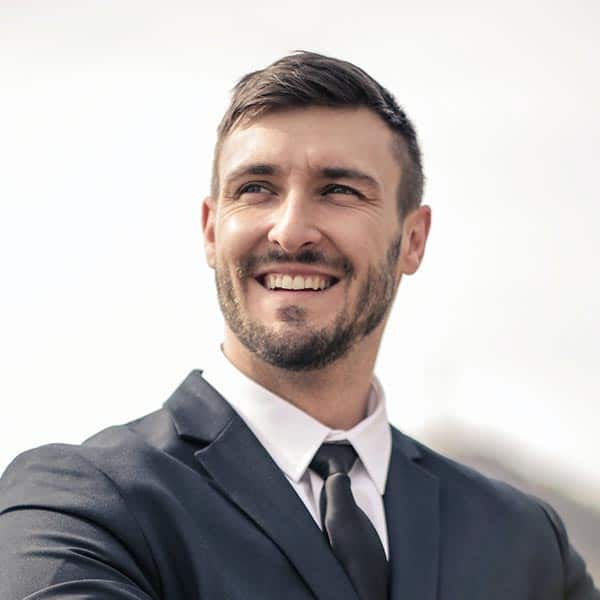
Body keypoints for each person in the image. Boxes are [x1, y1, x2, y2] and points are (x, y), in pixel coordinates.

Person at [0, 51, 597, 600]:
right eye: (256, 189)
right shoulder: (80, 506)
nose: (289, 231)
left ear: (413, 240)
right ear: (211, 230)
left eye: (338, 190)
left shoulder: (525, 543)